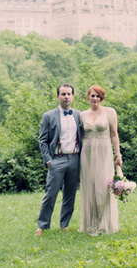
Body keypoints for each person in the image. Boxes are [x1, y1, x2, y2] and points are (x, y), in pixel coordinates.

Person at [35, 83, 83, 236]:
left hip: (75, 159)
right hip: (57, 159)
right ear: (57, 96)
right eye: (63, 94)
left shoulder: (78, 115)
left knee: (70, 194)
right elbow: (42, 140)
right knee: (51, 194)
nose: (66, 97)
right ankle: (42, 226)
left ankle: (64, 224)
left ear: (73, 96)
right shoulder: (49, 116)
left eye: (69, 94)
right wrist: (48, 160)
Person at [78, 85, 122, 235]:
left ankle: (104, 224)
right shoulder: (83, 115)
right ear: (88, 97)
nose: (95, 98)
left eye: (98, 96)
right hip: (88, 152)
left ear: (101, 98)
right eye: (92, 95)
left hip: (104, 151)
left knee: (103, 187)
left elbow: (114, 135)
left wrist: (118, 155)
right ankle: (91, 224)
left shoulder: (110, 112)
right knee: (90, 185)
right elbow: (81, 136)